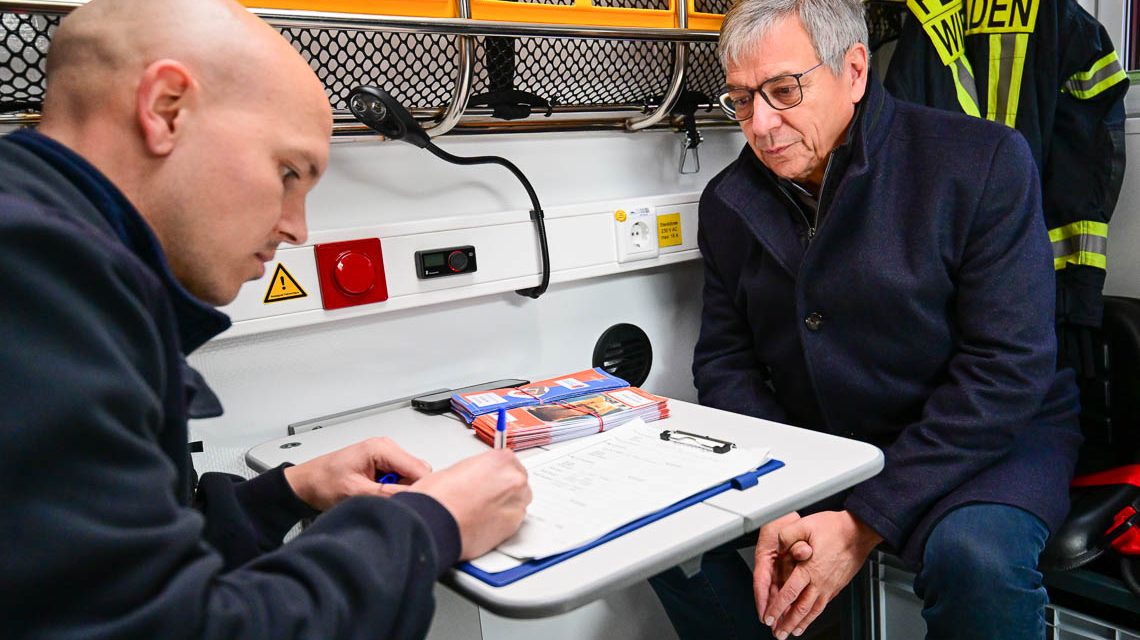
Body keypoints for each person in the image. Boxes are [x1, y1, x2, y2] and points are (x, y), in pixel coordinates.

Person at [0, 1, 531, 638]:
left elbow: (117, 569)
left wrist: (289, 491)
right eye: (287, 173)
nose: (297, 230)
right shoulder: (31, 277)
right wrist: (428, 525)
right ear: (166, 108)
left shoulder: (61, 263)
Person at [649, 1, 1082, 638]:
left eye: (783, 90)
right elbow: (725, 363)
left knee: (974, 560)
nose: (761, 125)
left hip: (982, 440)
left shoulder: (980, 161)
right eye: (741, 99)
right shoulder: (727, 202)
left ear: (854, 71)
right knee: (666, 533)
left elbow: (1007, 370)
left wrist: (864, 521)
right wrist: (779, 492)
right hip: (821, 446)